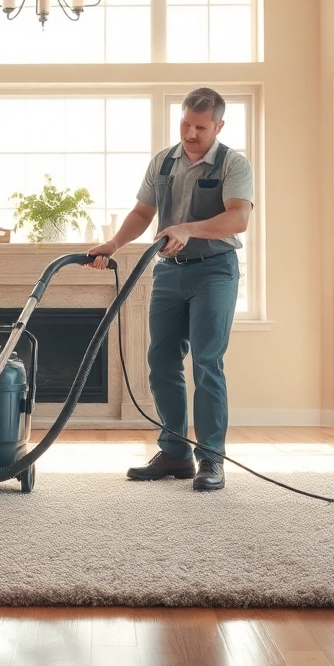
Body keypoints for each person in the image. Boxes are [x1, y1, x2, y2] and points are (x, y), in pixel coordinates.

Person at [86, 87, 253, 491]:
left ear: (219, 126)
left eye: (200, 127)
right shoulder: (163, 161)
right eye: (185, 123)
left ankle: (211, 459)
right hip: (168, 273)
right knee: (161, 363)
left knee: (206, 363)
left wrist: (187, 228)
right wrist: (113, 244)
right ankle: (176, 453)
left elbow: (238, 219)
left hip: (214, 270)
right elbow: (143, 212)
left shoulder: (234, 163)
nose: (190, 133)